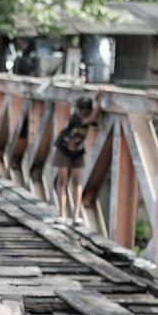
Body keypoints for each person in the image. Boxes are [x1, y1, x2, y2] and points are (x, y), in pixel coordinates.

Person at [52, 94, 101, 225]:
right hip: (63, 150)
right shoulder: (75, 119)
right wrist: (99, 100)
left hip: (77, 152)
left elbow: (94, 119)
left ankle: (76, 215)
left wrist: (98, 102)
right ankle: (62, 214)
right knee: (62, 181)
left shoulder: (87, 118)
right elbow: (91, 118)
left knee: (77, 182)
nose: (81, 112)